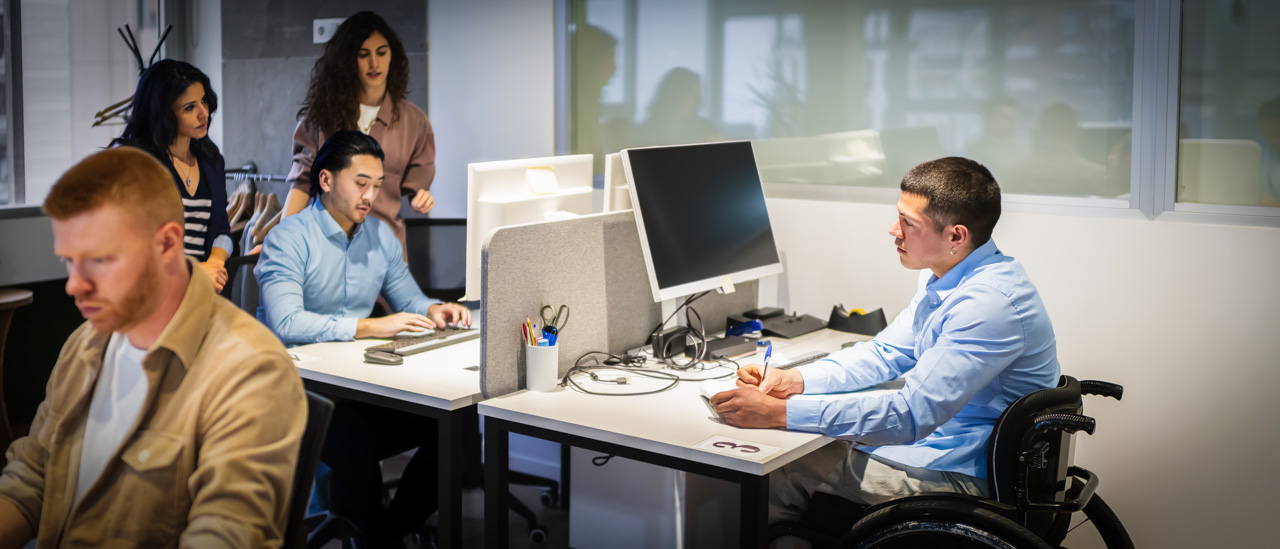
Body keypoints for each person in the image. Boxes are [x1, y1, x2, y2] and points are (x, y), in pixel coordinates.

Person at [709, 157, 1059, 546]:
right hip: (944, 449)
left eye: (909, 223)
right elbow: (884, 353)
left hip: (963, 475)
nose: (894, 231)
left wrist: (779, 414)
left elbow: (910, 415)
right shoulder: (948, 278)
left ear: (956, 237)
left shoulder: (988, 304)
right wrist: (794, 380)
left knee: (778, 474)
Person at [0, 147, 305, 547]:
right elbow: (31, 476)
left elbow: (224, 533)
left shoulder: (250, 370)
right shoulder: (86, 343)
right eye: (69, 262)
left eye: (98, 260)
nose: (74, 285)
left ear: (166, 244)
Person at [255, 131, 471, 546]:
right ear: (326, 181)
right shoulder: (288, 238)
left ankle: (388, 532)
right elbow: (287, 323)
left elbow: (408, 297)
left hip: (355, 382)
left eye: (377, 185)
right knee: (353, 445)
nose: (371, 195)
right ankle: (380, 537)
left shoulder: (378, 236)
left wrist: (432, 308)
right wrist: (369, 327)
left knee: (454, 432)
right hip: (296, 389)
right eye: (361, 183)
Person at [282, 11, 436, 250]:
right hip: (326, 252)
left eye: (381, 52)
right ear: (347, 61)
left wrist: (421, 197)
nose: (374, 63)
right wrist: (282, 240)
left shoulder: (414, 121)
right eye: (363, 55)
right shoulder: (321, 117)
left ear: (392, 56)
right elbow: (301, 185)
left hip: (386, 256)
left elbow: (418, 186)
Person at [110, 59, 232, 292]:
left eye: (204, 101)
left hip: (196, 295)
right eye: (189, 108)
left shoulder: (211, 160)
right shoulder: (135, 164)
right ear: (164, 113)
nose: (203, 113)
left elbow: (222, 231)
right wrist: (192, 270)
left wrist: (215, 261)